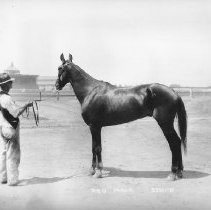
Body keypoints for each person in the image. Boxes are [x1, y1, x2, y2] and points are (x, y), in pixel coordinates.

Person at [0, 73, 33, 186]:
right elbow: (16, 113)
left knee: (3, 153)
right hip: (11, 128)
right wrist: (26, 105)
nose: (11, 84)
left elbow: (9, 110)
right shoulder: (7, 98)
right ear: (5, 85)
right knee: (12, 154)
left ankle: (3, 177)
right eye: (9, 82)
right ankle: (13, 180)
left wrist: (22, 105)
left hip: (2, 128)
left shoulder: (1, 97)